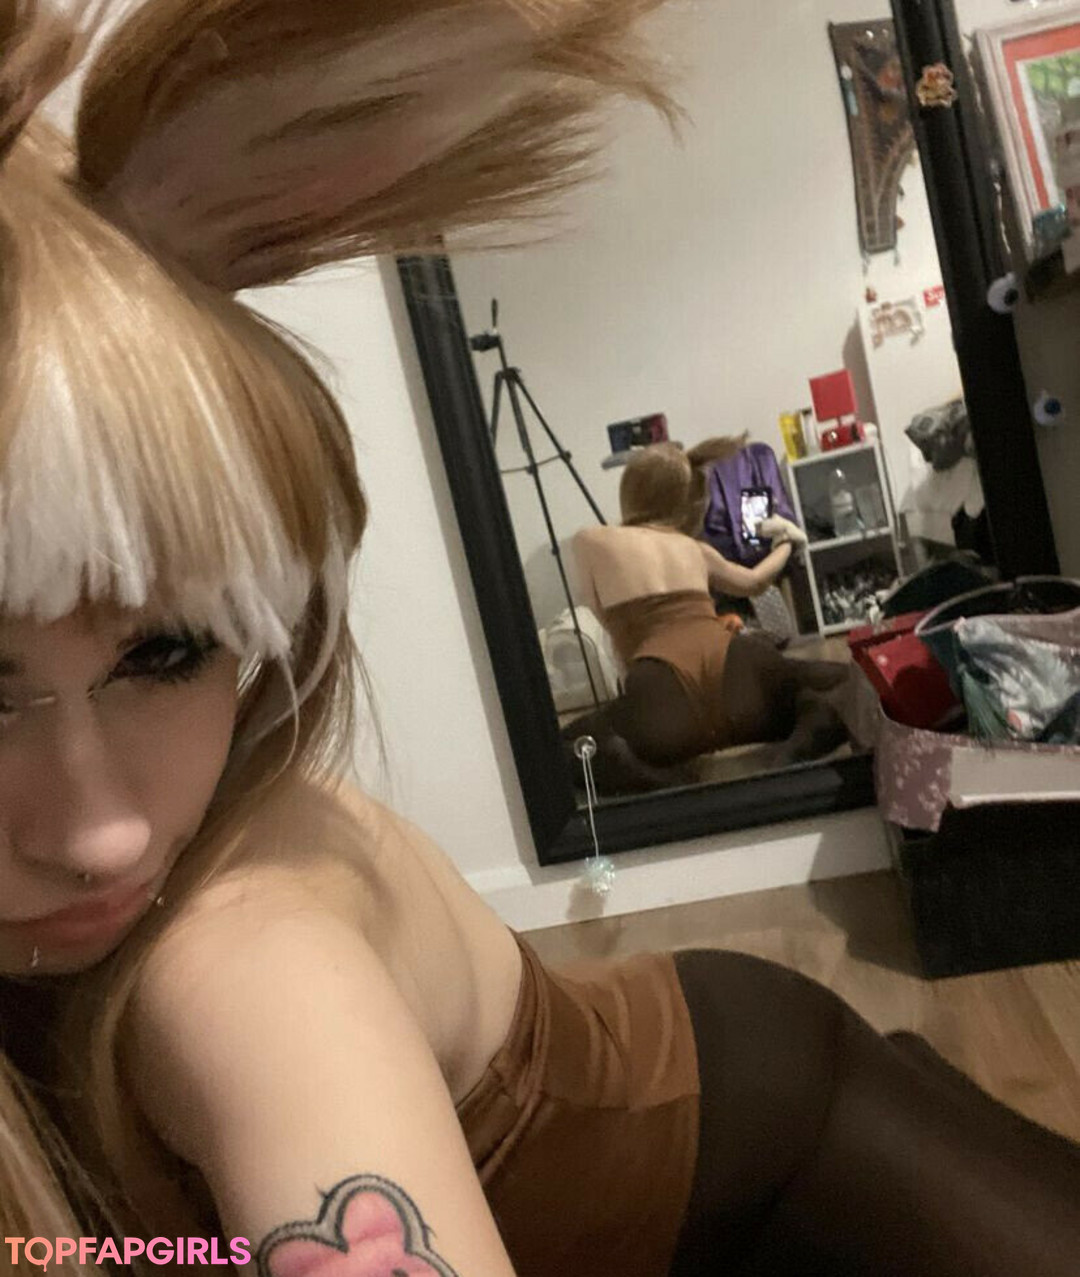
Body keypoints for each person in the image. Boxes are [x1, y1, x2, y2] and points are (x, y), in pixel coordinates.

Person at [0, 3, 1077, 1277]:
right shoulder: (690, 546)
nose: (101, 834)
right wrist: (784, 554)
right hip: (726, 675)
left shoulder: (238, 969)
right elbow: (751, 580)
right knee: (806, 669)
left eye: (166, 651)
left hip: (764, 1116)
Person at [564, 442, 852, 792]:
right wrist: (787, 541)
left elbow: (603, 616)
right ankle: (798, 744)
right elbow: (756, 582)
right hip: (741, 676)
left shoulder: (590, 541)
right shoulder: (696, 549)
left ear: (630, 491)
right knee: (836, 681)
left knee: (567, 746)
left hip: (661, 696)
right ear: (687, 501)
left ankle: (663, 783)